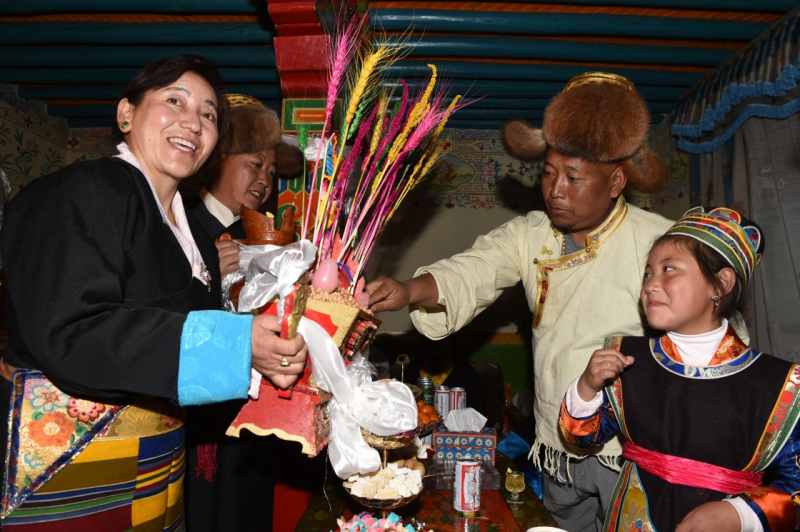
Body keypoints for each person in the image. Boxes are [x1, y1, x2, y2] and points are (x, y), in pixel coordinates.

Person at [0, 55, 307, 530]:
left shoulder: (195, 240)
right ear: (126, 114)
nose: (193, 122)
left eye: (208, 114)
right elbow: (72, 331)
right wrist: (236, 343)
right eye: (173, 101)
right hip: (70, 468)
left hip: (156, 473)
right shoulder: (88, 189)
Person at [367, 72, 673, 531]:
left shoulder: (661, 242)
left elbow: (711, 339)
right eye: (549, 174)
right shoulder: (532, 233)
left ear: (615, 182)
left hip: (630, 449)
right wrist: (410, 290)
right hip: (556, 441)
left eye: (573, 177)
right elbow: (476, 267)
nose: (555, 190)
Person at [560, 207, 799, 532]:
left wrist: (738, 515)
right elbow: (582, 440)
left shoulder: (778, 384)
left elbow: (794, 489)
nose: (650, 285)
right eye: (648, 273)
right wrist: (586, 388)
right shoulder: (628, 358)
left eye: (669, 269)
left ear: (721, 284)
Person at [183, 93, 303, 532]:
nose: (264, 180)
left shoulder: (262, 237)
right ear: (218, 161)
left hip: (252, 420)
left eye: (271, 172)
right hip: (203, 426)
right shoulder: (185, 225)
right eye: (254, 165)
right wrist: (207, 273)